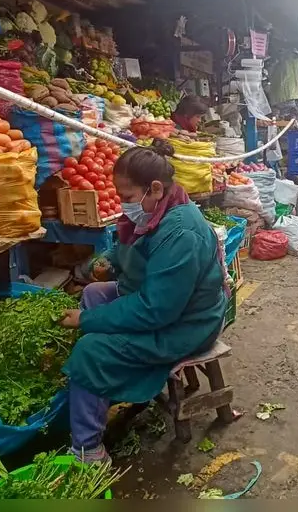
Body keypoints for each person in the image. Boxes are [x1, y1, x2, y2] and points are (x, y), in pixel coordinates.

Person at [58, 139, 229, 463]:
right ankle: (105, 384)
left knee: (89, 350)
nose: (124, 205)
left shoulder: (181, 233)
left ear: (155, 189)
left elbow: (155, 310)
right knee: (94, 294)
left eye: (127, 198)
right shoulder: (155, 211)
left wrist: (87, 320)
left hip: (187, 324)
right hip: (165, 304)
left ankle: (89, 451)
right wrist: (108, 261)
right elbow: (133, 246)